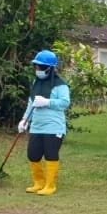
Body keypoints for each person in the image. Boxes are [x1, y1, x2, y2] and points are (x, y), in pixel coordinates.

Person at [19, 50, 71, 196]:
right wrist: (24, 120)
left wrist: (47, 102)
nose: (38, 70)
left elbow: (65, 102)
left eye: (41, 67)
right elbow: (31, 102)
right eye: (36, 66)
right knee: (33, 154)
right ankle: (39, 183)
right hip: (37, 126)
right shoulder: (36, 82)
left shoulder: (61, 85)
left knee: (51, 154)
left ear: (50, 68)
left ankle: (50, 185)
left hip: (54, 127)